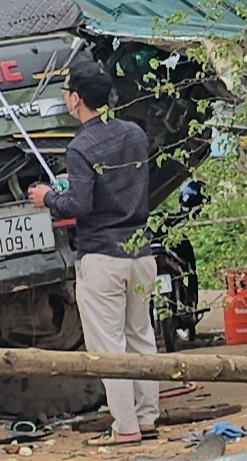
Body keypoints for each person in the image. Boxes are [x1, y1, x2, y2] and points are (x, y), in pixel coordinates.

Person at [28, 60, 159, 439]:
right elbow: (118, 182)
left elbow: (79, 207)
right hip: (140, 255)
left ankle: (126, 427)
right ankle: (148, 417)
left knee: (109, 346)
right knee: (140, 337)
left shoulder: (80, 145)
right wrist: (76, 183)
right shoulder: (134, 133)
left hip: (102, 258)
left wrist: (48, 196)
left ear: (76, 99)